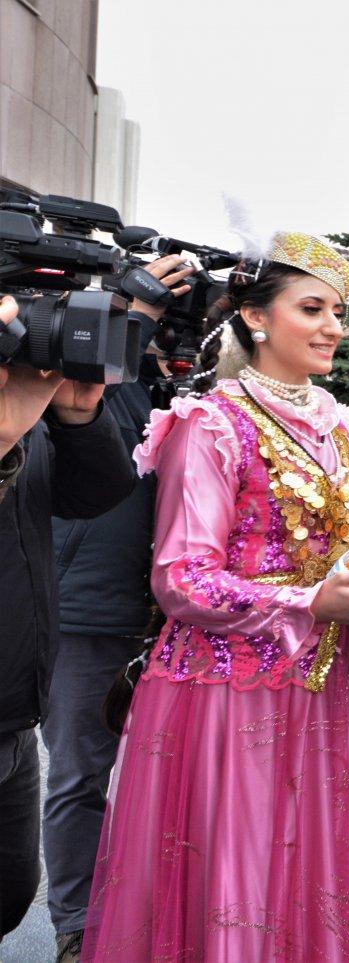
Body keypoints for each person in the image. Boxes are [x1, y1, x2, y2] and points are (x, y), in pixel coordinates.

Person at [81, 234, 349, 962]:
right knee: (240, 870)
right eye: (312, 308)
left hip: (324, 685)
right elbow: (182, 577)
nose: (332, 327)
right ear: (255, 317)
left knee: (310, 866)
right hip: (228, 691)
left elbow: (343, 550)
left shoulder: (341, 427)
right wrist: (312, 604)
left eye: (339, 312)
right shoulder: (211, 423)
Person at [42, 255, 195, 963]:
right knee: (79, 772)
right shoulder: (84, 375)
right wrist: (136, 314)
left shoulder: (180, 384)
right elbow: (113, 408)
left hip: (166, 611)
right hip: (85, 612)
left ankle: (147, 906)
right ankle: (77, 921)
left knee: (165, 771)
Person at [0, 296, 137, 945]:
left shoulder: (26, 407)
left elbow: (95, 494)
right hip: (51, 650)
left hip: (14, 713)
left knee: (5, 896)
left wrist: (80, 418)